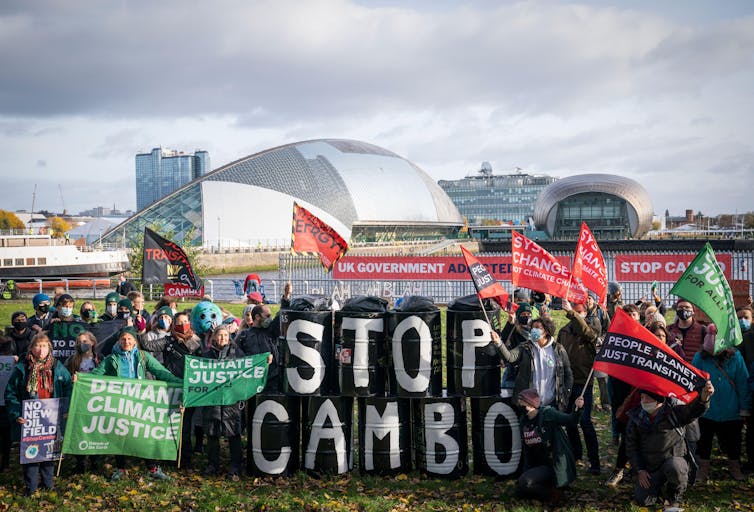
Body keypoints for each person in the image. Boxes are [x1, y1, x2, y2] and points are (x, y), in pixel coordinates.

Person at [89, 327, 181, 481]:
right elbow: (96, 375)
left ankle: (152, 468)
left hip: (141, 402)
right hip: (120, 402)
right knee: (120, 435)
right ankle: (120, 468)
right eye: (123, 339)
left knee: (144, 434)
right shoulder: (112, 359)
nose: (126, 342)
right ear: (119, 341)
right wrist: (80, 379)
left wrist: (181, 383)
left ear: (135, 341)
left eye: (130, 339)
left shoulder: (143, 357)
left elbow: (161, 372)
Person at [626, 382, 714, 510]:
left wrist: (703, 398)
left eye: (648, 398)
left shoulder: (674, 413)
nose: (644, 401)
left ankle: (675, 495)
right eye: (642, 398)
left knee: (675, 468)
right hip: (650, 468)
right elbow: (631, 448)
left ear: (659, 400)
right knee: (643, 500)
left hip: (673, 461)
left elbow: (693, 411)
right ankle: (661, 487)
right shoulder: (635, 417)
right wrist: (640, 470)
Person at [4, 334, 72, 495]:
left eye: (44, 346)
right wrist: (16, 414)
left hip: (52, 416)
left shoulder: (57, 366)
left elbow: (68, 388)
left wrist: (65, 409)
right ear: (31, 348)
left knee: (49, 452)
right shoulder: (22, 368)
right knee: (31, 453)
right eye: (37, 346)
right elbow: (10, 394)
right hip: (30, 418)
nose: (40, 350)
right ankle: (31, 487)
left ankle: (48, 484)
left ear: (49, 348)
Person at [140, 311, 202, 466]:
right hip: (171, 387)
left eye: (185, 322)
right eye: (179, 323)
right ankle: (169, 456)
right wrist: (142, 330)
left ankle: (185, 458)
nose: (182, 325)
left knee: (185, 426)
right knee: (170, 424)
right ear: (174, 325)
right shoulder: (168, 341)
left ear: (189, 323)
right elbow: (147, 345)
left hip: (189, 387)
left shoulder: (197, 342)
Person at [692, 324, 751, 482]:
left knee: (734, 441)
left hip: (731, 409)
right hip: (707, 410)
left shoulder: (736, 356)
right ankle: (702, 468)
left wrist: (744, 408)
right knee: (704, 440)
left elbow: (743, 383)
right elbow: (694, 382)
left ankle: (734, 466)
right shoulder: (700, 357)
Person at [515, 388, 585, 507]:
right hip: (539, 465)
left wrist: (578, 408)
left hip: (554, 464)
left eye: (521, 402)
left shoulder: (548, 414)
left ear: (530, 404)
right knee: (520, 489)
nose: (518, 405)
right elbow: (527, 452)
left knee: (526, 484)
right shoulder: (524, 421)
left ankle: (556, 494)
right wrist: (525, 473)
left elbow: (571, 420)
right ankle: (548, 487)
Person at [490, 317, 573, 412]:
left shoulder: (558, 349)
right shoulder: (525, 347)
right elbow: (509, 357)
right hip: (528, 404)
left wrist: (566, 394)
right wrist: (498, 343)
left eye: (538, 328)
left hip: (551, 404)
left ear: (546, 331)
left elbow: (568, 373)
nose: (534, 330)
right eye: (533, 328)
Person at [557, 300, 601, 474]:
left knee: (585, 421)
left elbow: (589, 335)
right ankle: (576, 455)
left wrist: (573, 315)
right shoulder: (564, 331)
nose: (576, 313)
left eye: (579, 311)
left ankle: (595, 461)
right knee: (570, 422)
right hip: (568, 382)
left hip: (584, 383)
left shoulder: (591, 327)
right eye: (574, 310)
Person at [201, 326, 249, 480]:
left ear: (229, 338)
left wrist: (266, 361)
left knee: (234, 433)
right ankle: (212, 464)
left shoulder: (237, 354)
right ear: (214, 337)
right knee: (212, 434)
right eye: (220, 335)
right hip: (212, 401)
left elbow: (248, 368)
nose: (222, 339)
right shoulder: (206, 355)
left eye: (225, 336)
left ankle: (235, 465)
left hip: (231, 401)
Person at [64, 330, 100, 474]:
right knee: (79, 430)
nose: (81, 344)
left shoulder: (99, 359)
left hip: (96, 400)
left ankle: (95, 461)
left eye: (84, 341)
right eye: (78, 342)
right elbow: (64, 378)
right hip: (78, 399)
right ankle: (80, 462)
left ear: (92, 343)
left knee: (94, 429)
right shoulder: (72, 360)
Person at [235, 305, 280, 393]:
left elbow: (280, 317)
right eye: (267, 316)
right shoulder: (244, 335)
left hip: (272, 381)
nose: (270, 319)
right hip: (250, 381)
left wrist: (286, 297)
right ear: (257, 317)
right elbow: (237, 357)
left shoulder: (271, 331)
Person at [499, 303, 534, 391]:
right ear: (518, 316)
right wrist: (510, 324)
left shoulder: (535, 332)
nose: (526, 317)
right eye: (523, 314)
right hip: (513, 375)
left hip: (530, 375)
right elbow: (503, 341)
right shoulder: (513, 329)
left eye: (528, 314)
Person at [735, 305, 754, 470]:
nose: (743, 321)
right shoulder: (745, 340)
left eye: (746, 317)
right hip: (749, 390)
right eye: (739, 317)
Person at [585, 292, 610, 413]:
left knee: (602, 378)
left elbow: (608, 329)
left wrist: (602, 339)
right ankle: (589, 403)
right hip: (585, 350)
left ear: (594, 300)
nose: (587, 301)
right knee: (587, 378)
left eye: (589, 298)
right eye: (585, 298)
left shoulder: (601, 312)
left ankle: (606, 404)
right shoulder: (581, 311)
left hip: (600, 348)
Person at [668, 299, 707, 364]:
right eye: (680, 307)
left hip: (694, 370)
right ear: (676, 310)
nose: (683, 309)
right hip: (674, 369)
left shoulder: (702, 330)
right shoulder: (669, 329)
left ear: (693, 311)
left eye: (687, 307)